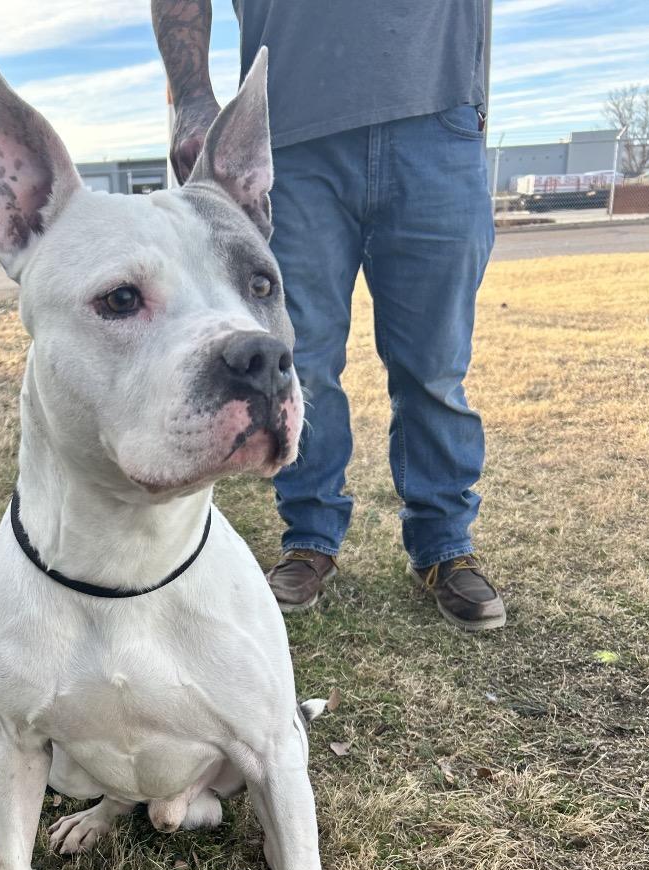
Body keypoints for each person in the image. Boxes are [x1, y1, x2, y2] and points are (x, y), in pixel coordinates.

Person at [152, 0, 506, 632]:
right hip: (289, 134)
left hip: (437, 117)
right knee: (301, 364)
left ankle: (444, 546)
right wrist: (191, 96)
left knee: (435, 367)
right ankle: (309, 537)